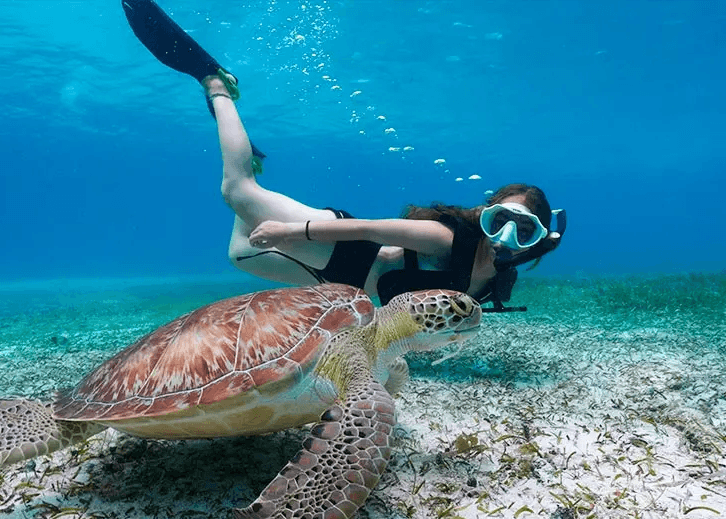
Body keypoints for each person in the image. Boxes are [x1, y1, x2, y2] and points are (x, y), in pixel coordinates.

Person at [123, 0, 566, 310]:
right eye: (500, 220)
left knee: (240, 254)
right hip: (340, 247)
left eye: (522, 229)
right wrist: (291, 231)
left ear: (537, 238)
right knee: (237, 191)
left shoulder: (498, 278)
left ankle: (253, 158)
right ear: (484, 214)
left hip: (344, 280)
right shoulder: (447, 239)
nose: (505, 237)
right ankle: (215, 82)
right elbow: (368, 227)